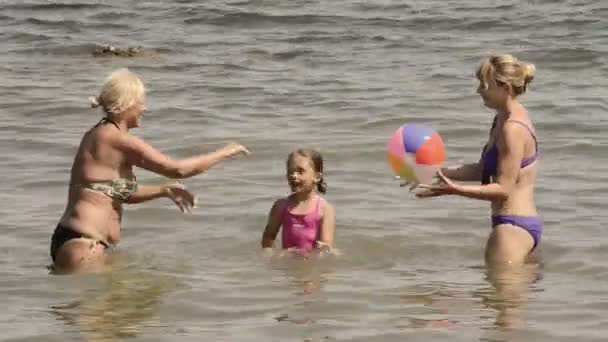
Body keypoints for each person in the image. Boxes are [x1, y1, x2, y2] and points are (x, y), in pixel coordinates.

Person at [51, 68, 250, 273]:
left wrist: (164, 191)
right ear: (126, 104)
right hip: (85, 246)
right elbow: (178, 169)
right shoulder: (118, 140)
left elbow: (114, 193)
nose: (144, 109)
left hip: (73, 241)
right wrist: (225, 152)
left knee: (135, 302)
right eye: (140, 102)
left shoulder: (96, 134)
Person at [413, 54, 541, 266]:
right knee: (505, 298)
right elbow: (483, 169)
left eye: (484, 85)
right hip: (518, 225)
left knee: (498, 299)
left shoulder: (512, 128)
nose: (478, 91)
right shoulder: (503, 118)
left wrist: (454, 190)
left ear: (505, 88)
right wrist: (436, 172)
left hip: (511, 229)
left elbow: (503, 189)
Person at [261, 148, 336, 255]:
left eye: (300, 171)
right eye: (290, 171)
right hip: (288, 263)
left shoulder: (325, 209)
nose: (293, 176)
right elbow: (268, 237)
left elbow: (326, 246)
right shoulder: (281, 206)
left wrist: (319, 253)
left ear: (317, 177)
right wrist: (270, 255)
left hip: (312, 266)